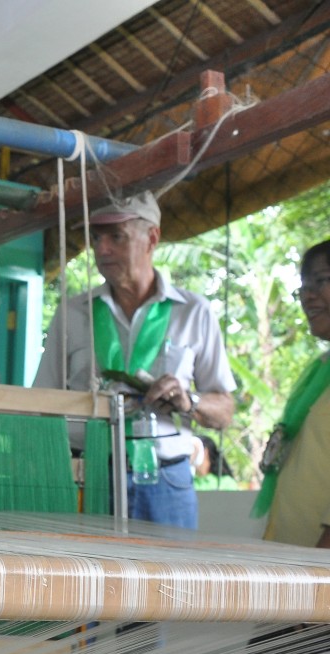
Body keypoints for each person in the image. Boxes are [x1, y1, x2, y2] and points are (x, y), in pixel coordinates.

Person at [203, 239, 330, 654]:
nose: (310, 293)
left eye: (324, 280)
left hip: (324, 571)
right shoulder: (322, 369)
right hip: (301, 563)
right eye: (306, 281)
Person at [33, 190, 236, 529]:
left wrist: (190, 401)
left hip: (166, 482)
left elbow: (224, 411)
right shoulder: (72, 313)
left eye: (117, 236)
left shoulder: (194, 312)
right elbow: (42, 404)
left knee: (173, 582)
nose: (102, 249)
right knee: (86, 580)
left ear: (151, 238)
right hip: (88, 476)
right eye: (96, 237)